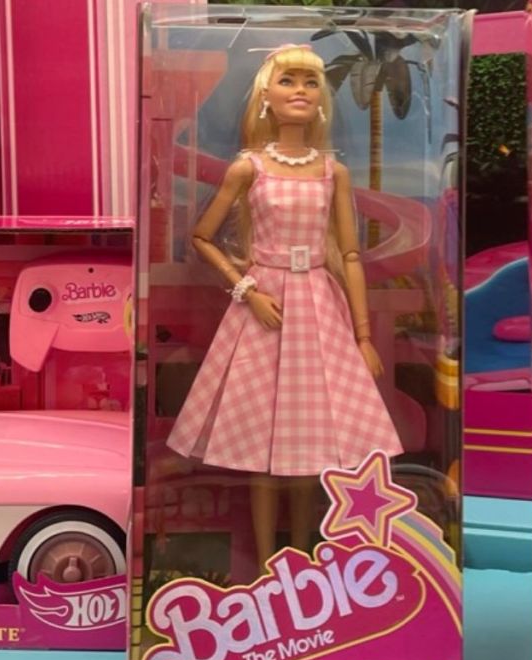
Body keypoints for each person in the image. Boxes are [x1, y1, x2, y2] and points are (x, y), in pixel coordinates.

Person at [166, 44, 403, 570]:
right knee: (261, 448)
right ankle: (266, 566)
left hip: (318, 303)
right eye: (288, 81)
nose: (300, 91)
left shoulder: (332, 172)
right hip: (265, 306)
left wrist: (363, 335)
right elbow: (203, 237)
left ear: (321, 99)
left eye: (310, 82)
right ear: (266, 96)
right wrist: (246, 290)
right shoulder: (248, 168)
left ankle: (302, 559)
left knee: (311, 444)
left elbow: (349, 254)